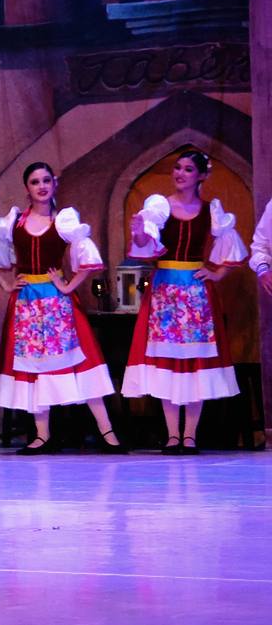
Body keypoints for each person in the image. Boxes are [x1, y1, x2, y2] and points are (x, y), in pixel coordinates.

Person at [0, 162, 125, 454]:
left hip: (57, 301)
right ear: (27, 188)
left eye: (46, 180)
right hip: (26, 302)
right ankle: (41, 435)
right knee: (33, 368)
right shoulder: (14, 223)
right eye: (35, 181)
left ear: (54, 184)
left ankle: (107, 432)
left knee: (82, 363)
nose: (41, 186)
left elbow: (87, 257)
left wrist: (68, 286)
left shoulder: (64, 222)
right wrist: (5, 285)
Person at [122, 150, 247, 454]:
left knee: (195, 363)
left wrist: (217, 274)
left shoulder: (209, 211)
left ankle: (189, 435)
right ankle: (171, 435)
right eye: (177, 168)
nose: (179, 173)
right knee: (166, 360)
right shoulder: (160, 209)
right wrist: (139, 234)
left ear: (201, 176)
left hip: (194, 292)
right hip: (165, 289)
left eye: (188, 169)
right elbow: (144, 247)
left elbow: (231, 245)